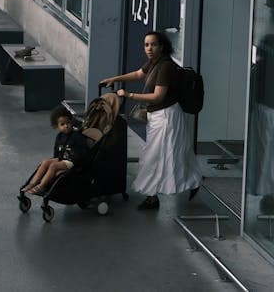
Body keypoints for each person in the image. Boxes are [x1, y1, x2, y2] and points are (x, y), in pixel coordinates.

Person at [100, 31, 202, 210]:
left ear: (162, 46)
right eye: (146, 45)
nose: (149, 48)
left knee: (156, 156)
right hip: (158, 116)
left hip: (166, 116)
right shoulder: (155, 62)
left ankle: (154, 197)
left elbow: (158, 96)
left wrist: (129, 94)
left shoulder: (166, 67)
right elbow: (138, 74)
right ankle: (185, 184)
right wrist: (115, 79)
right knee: (172, 154)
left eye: (153, 44)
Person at [22, 106, 90, 195]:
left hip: (72, 161)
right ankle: (33, 183)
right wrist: (57, 158)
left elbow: (82, 152)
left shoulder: (77, 136)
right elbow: (56, 151)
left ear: (71, 122)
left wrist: (72, 158)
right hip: (62, 158)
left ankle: (41, 186)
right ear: (57, 127)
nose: (66, 126)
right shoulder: (59, 136)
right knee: (45, 162)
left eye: (68, 123)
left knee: (53, 166)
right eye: (62, 124)